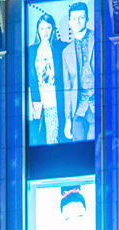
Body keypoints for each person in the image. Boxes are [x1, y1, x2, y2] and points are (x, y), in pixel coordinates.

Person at [27, 12, 66, 145]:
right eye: (42, 28)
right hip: (37, 101)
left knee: (53, 138)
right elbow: (28, 81)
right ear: (37, 29)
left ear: (53, 28)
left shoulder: (61, 47)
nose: (45, 31)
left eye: (48, 27)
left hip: (55, 100)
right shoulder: (31, 51)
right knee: (37, 140)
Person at [61, 2, 94, 142]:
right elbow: (67, 86)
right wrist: (68, 118)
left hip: (97, 104)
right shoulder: (66, 52)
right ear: (69, 22)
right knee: (79, 151)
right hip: (78, 108)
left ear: (87, 19)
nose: (77, 22)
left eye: (81, 17)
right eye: (74, 18)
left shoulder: (98, 40)